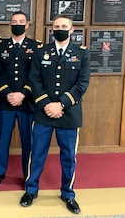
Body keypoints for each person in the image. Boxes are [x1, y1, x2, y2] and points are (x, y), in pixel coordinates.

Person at [19, 14, 90, 215]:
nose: (59, 29)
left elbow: (82, 84)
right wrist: (47, 105)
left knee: (69, 156)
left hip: (69, 113)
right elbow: (34, 80)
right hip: (43, 112)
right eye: (56, 26)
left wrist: (61, 104)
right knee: (37, 153)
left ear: (72, 30)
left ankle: (68, 193)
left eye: (63, 26)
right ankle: (31, 190)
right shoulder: (42, 52)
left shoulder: (82, 53)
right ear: (52, 30)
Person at [0, 11, 40, 187]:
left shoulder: (36, 47)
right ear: (9, 25)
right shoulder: (0, 46)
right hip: (6, 101)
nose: (17, 24)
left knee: (29, 140)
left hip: (28, 102)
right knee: (3, 138)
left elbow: (36, 74)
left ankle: (28, 175)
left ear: (27, 25)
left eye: (21, 21)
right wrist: (7, 93)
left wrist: (23, 93)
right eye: (14, 22)